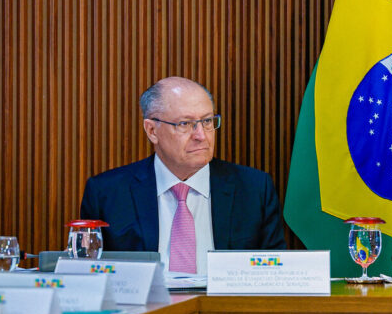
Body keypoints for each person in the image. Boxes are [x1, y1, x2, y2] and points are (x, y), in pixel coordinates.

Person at [80, 77, 286, 274]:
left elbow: (275, 273)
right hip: (149, 309)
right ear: (152, 130)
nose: (201, 136)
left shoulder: (253, 189)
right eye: (185, 124)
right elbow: (88, 275)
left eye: (207, 121)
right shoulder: (107, 194)